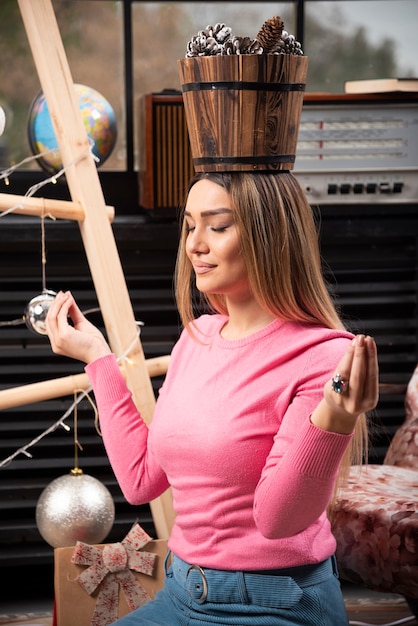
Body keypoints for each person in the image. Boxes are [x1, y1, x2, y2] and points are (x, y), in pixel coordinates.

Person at [46, 170, 379, 626]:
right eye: (189, 226)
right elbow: (142, 479)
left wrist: (334, 419)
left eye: (217, 226)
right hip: (180, 593)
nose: (194, 245)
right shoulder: (198, 336)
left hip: (274, 603)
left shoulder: (322, 356)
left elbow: (278, 520)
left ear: (270, 236)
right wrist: (98, 358)